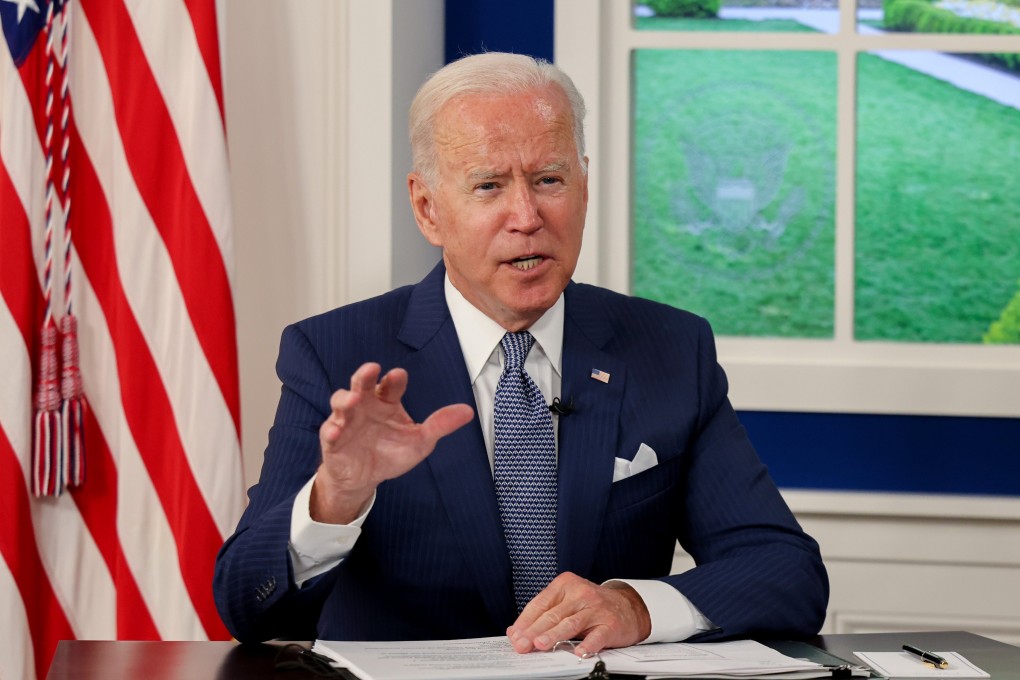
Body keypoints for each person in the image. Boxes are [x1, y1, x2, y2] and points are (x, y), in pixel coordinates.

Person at [213, 52, 828, 656]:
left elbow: (785, 572)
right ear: (428, 208)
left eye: (549, 181)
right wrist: (334, 499)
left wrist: (636, 607)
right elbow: (247, 607)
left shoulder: (669, 349)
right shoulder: (336, 354)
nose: (528, 217)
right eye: (489, 186)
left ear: (583, 187)